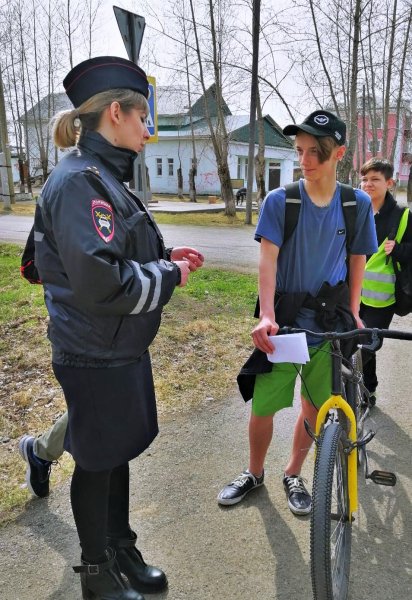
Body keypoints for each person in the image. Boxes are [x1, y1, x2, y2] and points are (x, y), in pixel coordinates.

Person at [30, 55, 204, 600]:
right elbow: (103, 283)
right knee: (98, 460)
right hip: (93, 349)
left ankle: (120, 546)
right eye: (143, 116)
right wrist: (169, 271)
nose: (148, 129)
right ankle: (96, 573)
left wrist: (164, 253)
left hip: (115, 347)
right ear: (115, 113)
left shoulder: (100, 172)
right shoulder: (82, 180)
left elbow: (115, 246)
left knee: (116, 452)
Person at [217, 110, 377, 514]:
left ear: (338, 153)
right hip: (285, 326)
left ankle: (293, 472)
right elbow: (267, 262)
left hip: (328, 326)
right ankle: (254, 473)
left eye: (315, 153)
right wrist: (266, 314)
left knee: (315, 407)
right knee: (264, 405)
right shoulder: (280, 201)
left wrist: (354, 312)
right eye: (300, 151)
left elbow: (358, 260)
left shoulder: (354, 204)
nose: (305, 161)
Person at [359, 157, 412, 406]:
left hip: (382, 299)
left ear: (389, 183)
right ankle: (358, 388)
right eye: (365, 179)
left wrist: (398, 249)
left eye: (374, 180)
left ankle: (367, 390)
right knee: (348, 344)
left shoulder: (402, 216)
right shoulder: (356, 210)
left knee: (368, 345)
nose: (368, 184)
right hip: (349, 294)